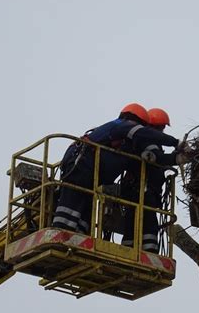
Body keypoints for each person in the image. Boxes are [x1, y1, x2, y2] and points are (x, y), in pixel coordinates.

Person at [52, 103, 181, 234]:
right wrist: (176, 142)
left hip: (87, 172)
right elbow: (144, 134)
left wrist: (175, 159)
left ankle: (78, 235)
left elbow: (153, 158)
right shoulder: (120, 125)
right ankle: (60, 233)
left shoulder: (122, 141)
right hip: (81, 166)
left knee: (86, 202)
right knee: (73, 198)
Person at [121, 108, 189, 253]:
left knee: (133, 218)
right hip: (142, 190)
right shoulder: (148, 140)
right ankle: (149, 250)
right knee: (149, 220)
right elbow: (156, 158)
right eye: (162, 127)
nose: (163, 131)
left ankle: (129, 248)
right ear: (155, 127)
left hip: (138, 189)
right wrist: (177, 158)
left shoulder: (141, 140)